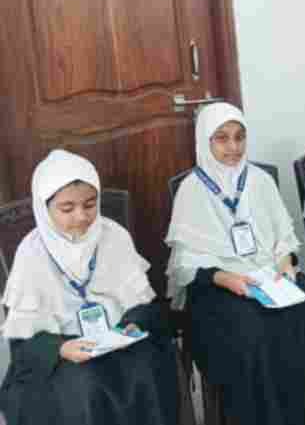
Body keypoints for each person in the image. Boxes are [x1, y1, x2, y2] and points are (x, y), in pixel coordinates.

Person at [165, 102, 305, 425]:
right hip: (218, 285)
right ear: (205, 141)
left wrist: (285, 264)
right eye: (222, 138)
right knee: (253, 332)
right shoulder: (191, 190)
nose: (233, 147)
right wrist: (229, 279)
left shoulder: (260, 180)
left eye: (239, 137)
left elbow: (284, 236)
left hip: (268, 275)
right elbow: (185, 265)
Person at [0, 149, 178, 425]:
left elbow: (144, 305)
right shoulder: (31, 254)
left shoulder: (114, 235)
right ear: (44, 208)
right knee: (86, 387)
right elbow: (23, 344)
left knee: (145, 368)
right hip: (63, 354)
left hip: (117, 338)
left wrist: (131, 324)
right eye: (67, 209)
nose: (81, 216)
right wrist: (61, 349)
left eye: (90, 204)